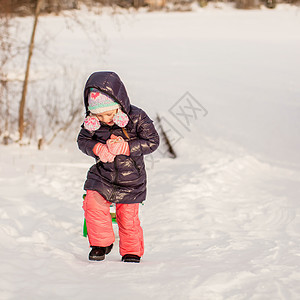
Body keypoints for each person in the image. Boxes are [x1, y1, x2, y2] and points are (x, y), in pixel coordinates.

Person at [77, 71, 159, 263]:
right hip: (102, 175)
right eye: (99, 115)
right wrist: (97, 148)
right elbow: (83, 140)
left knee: (127, 217)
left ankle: (131, 251)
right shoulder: (93, 122)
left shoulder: (137, 117)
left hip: (131, 177)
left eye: (108, 114)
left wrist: (127, 147)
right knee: (93, 203)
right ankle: (101, 243)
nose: (105, 120)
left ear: (119, 106)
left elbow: (152, 141)